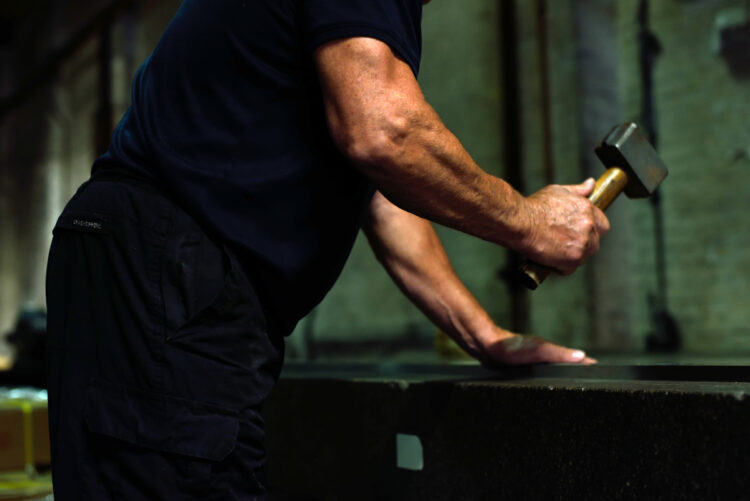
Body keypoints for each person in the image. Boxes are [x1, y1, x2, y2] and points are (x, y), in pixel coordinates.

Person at [45, 0, 608, 499]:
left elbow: (380, 192)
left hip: (145, 262)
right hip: (165, 265)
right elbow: (384, 133)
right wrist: (531, 223)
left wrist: (482, 334)